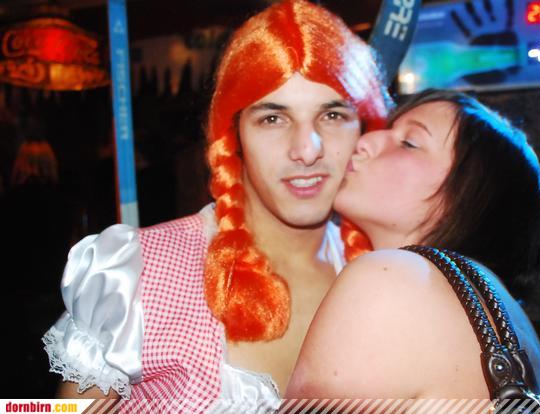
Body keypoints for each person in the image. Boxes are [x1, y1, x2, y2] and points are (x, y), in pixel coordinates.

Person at [42, 0, 390, 411]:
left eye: (332, 115)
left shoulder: (384, 276)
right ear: (234, 135)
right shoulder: (139, 274)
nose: (307, 149)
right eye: (273, 119)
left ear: (365, 129)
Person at [285, 89, 540, 404]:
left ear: (468, 195)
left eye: (409, 142)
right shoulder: (522, 335)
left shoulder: (389, 280)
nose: (365, 142)